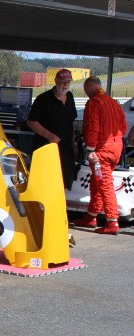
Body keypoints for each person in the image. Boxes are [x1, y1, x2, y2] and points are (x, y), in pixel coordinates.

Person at [74, 76, 127, 235]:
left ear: (89, 89)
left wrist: (90, 150)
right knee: (97, 182)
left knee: (104, 184)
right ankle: (91, 216)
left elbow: (92, 128)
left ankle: (112, 221)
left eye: (85, 90)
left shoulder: (93, 103)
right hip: (116, 147)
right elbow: (123, 127)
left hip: (101, 150)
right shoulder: (114, 102)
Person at [25, 68, 78, 189]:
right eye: (62, 82)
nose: (65, 85)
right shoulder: (43, 99)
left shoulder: (70, 97)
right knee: (44, 182)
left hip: (66, 149)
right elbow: (31, 122)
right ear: (56, 81)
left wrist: (73, 142)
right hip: (46, 147)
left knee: (64, 181)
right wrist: (49, 136)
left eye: (68, 82)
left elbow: (72, 122)